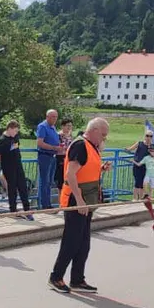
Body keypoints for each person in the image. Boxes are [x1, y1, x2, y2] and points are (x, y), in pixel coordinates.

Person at [49, 117, 110, 294]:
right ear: (94, 130)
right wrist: (79, 200)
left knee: (83, 243)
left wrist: (101, 168)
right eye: (103, 135)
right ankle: (56, 277)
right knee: (71, 241)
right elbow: (70, 174)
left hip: (88, 199)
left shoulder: (91, 147)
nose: (104, 139)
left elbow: (85, 169)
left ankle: (77, 279)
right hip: (76, 200)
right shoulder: (80, 145)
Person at [0, 120, 32, 217]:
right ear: (9, 129)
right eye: (15, 131)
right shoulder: (2, 140)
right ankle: (13, 210)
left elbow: (16, 146)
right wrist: (4, 164)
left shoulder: (15, 137)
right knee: (12, 188)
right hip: (8, 167)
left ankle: (27, 209)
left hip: (18, 165)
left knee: (23, 187)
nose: (16, 133)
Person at [35, 109, 61, 210]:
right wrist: (53, 147)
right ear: (47, 117)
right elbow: (40, 143)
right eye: (53, 117)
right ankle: (45, 204)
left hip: (53, 156)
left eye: (56, 117)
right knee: (45, 181)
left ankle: (48, 203)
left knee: (50, 181)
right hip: (45, 155)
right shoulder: (43, 126)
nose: (55, 119)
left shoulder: (53, 127)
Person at [128, 131, 154, 200]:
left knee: (142, 183)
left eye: (150, 136)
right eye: (147, 136)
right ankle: (134, 198)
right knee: (137, 182)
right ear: (144, 136)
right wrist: (126, 149)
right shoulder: (139, 143)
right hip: (137, 165)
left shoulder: (152, 147)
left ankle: (140, 199)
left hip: (145, 167)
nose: (148, 138)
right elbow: (130, 149)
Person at [53, 118, 74, 192]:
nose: (69, 127)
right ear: (63, 126)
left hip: (68, 157)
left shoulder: (70, 135)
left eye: (70, 126)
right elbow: (56, 146)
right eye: (68, 126)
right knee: (61, 181)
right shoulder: (58, 135)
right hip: (60, 157)